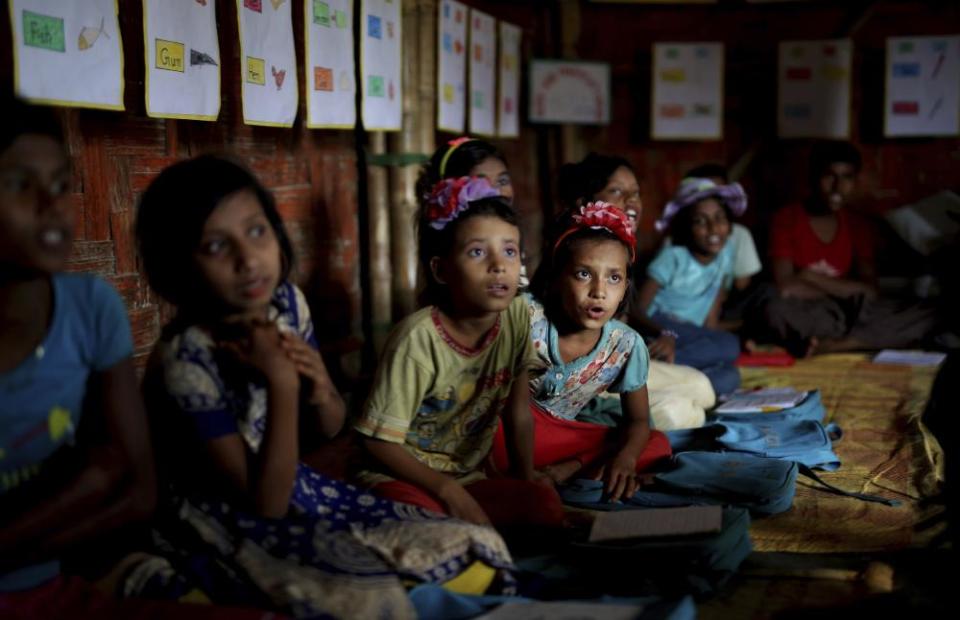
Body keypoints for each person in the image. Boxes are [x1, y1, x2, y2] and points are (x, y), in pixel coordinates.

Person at [135, 155, 515, 619]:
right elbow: (265, 506)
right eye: (217, 246)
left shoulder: (286, 306)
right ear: (179, 267)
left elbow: (334, 423)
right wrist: (279, 381)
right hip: (220, 520)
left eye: (257, 232)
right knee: (367, 600)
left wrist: (317, 388)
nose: (248, 259)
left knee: (477, 546)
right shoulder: (185, 361)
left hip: (297, 487)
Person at [0, 97, 267, 619]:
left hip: (52, 586)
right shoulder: (185, 357)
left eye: (60, 184)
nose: (51, 205)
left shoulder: (90, 307)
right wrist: (94, 481)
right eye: (18, 184)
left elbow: (136, 490)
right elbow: (113, 475)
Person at [354, 175, 565, 528]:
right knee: (422, 522)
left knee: (543, 507)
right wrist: (448, 491)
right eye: (477, 252)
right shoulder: (418, 340)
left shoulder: (515, 315)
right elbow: (377, 444)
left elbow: (518, 412)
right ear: (441, 269)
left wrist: (525, 477)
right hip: (402, 477)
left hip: (469, 479)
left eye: (510, 251)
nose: (498, 265)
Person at [489, 202, 672, 499]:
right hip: (509, 425)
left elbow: (637, 420)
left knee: (655, 442)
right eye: (584, 274)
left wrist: (625, 459)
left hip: (556, 440)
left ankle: (564, 471)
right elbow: (512, 410)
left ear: (626, 286)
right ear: (559, 278)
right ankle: (544, 476)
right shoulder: (525, 317)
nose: (599, 291)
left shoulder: (626, 345)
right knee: (488, 427)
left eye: (614, 278)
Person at [557, 153, 714, 429]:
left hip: (617, 361)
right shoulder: (569, 254)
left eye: (635, 193)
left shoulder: (620, 249)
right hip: (584, 377)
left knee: (703, 388)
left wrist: (664, 334)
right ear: (584, 202)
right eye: (617, 191)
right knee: (681, 412)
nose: (631, 202)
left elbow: (630, 309)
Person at [760, 141, 938, 356]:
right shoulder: (787, 218)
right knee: (774, 308)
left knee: (932, 312)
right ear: (814, 177)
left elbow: (870, 290)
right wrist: (845, 292)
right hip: (812, 310)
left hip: (852, 310)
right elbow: (786, 286)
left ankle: (844, 343)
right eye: (829, 176)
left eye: (847, 177)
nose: (837, 186)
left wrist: (809, 276)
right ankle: (860, 338)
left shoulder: (857, 224)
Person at [634, 177, 745, 396]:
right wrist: (665, 333)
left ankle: (663, 380)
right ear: (686, 227)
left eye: (719, 218)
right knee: (730, 344)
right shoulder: (673, 257)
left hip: (688, 335)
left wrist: (710, 341)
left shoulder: (726, 252)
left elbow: (711, 310)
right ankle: (647, 369)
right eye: (700, 221)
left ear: (730, 225)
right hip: (659, 326)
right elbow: (638, 308)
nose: (713, 228)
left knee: (730, 375)